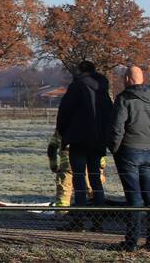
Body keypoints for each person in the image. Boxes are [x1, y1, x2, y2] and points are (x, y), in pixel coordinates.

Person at [56, 60, 113, 232]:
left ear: (80, 71)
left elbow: (64, 112)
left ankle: (78, 221)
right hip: (98, 142)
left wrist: (63, 133)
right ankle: (98, 222)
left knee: (79, 179)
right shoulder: (103, 89)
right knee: (96, 180)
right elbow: (110, 113)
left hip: (79, 140)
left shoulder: (76, 87)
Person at [108, 65, 150, 251]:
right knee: (149, 198)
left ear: (127, 79)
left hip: (129, 151)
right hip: (149, 151)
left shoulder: (124, 99)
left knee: (134, 199)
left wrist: (114, 148)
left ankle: (131, 242)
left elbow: (117, 128)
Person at [48, 131, 107, 207]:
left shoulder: (63, 126)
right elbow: (97, 146)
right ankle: (95, 214)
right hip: (87, 165)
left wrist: (53, 165)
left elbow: (52, 147)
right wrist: (102, 164)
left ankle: (61, 214)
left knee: (63, 195)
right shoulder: (91, 124)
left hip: (67, 167)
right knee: (94, 192)